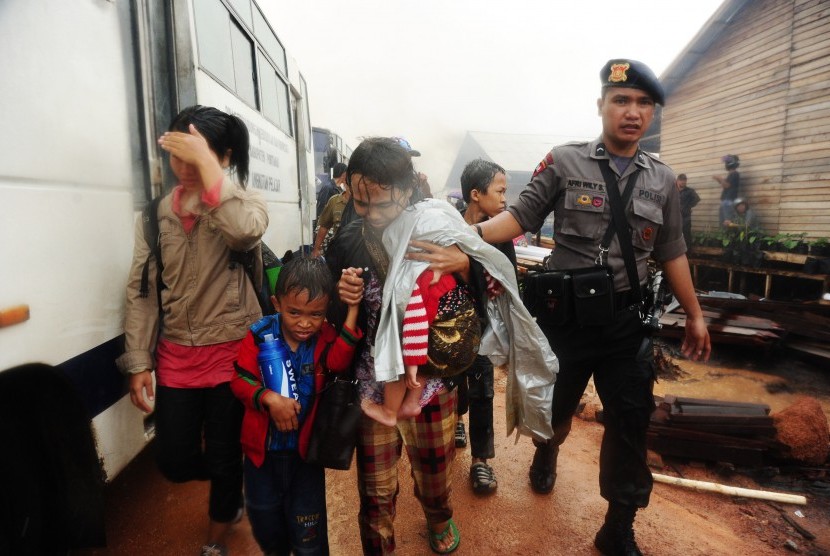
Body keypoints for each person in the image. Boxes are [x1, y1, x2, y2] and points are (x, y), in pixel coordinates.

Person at [476, 59, 711, 556]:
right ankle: (548, 450)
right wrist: (464, 239)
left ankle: (618, 525)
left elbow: (671, 251)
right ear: (601, 106)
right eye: (622, 100)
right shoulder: (564, 161)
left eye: (644, 103)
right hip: (566, 321)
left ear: (651, 113)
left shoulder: (663, 180)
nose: (633, 112)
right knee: (556, 412)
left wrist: (694, 312)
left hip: (627, 324)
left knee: (630, 422)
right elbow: (517, 218)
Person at [327, 137, 555, 555]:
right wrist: (339, 294)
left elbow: (490, 289)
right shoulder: (348, 241)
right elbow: (330, 311)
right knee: (375, 491)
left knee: (433, 475)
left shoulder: (440, 224)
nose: (370, 215)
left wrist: (466, 263)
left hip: (434, 383)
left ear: (406, 187)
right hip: (372, 384)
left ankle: (439, 515)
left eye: (380, 203)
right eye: (360, 203)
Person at [117, 105, 268, 556]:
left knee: (223, 456)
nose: (182, 169)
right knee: (173, 459)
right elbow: (142, 292)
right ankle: (230, 479)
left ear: (221, 156)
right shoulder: (153, 215)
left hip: (231, 356)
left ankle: (219, 532)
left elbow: (244, 234)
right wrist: (139, 361)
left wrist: (209, 169)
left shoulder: (243, 205)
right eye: (176, 156)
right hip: (177, 357)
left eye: (193, 156)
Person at [231, 256, 363, 556]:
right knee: (266, 524)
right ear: (277, 303)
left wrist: (352, 311)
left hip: (305, 459)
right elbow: (239, 380)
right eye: (294, 312)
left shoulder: (324, 336)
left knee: (309, 536)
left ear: (326, 309)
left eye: (315, 314)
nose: (305, 323)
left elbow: (338, 361)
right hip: (260, 457)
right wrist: (268, 399)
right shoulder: (258, 334)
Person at [455, 158, 517, 494]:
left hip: (483, 327)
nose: (505, 198)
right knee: (452, 386)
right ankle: (457, 420)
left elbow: (508, 278)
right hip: (449, 328)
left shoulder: (501, 232)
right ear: (476, 194)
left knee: (482, 388)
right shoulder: (449, 226)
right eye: (500, 190)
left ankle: (482, 460)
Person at [311, 162, 349, 258]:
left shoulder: (337, 189)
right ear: (343, 174)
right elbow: (321, 210)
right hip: (328, 234)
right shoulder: (328, 188)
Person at [713, 154, 740, 228]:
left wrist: (720, 178)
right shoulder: (731, 174)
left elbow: (727, 185)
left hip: (729, 202)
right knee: (723, 222)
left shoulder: (735, 174)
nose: (725, 164)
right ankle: (724, 237)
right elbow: (725, 185)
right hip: (726, 201)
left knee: (727, 223)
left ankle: (729, 237)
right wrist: (719, 180)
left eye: (726, 162)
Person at [676, 173, 700, 251]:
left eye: (684, 180)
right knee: (675, 234)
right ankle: (677, 251)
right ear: (677, 181)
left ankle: (688, 251)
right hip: (675, 217)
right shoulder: (674, 191)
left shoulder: (690, 191)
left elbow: (697, 199)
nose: (683, 182)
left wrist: (688, 206)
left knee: (686, 234)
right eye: (681, 180)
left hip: (686, 217)